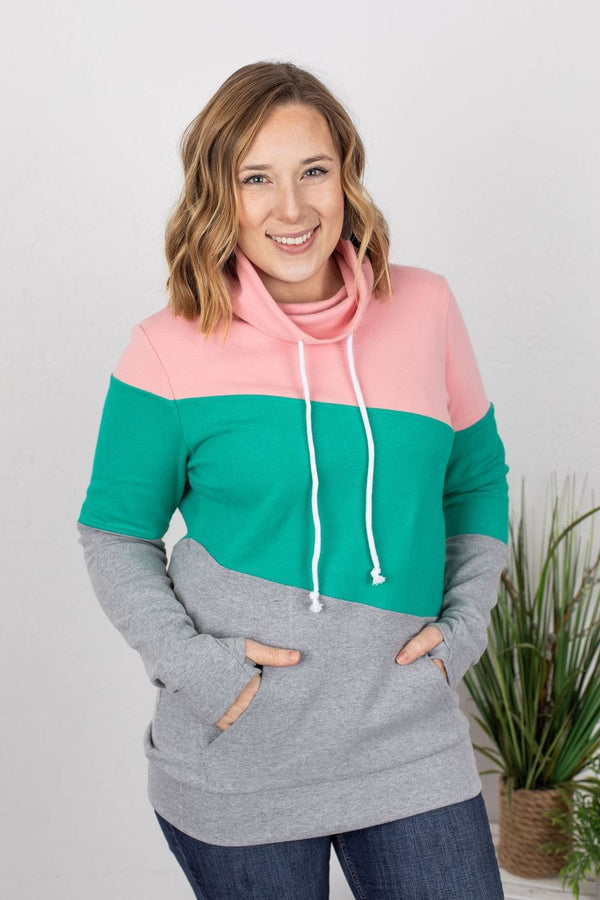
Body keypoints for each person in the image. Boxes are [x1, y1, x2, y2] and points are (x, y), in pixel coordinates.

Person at [77, 60, 509, 899]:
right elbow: (114, 533)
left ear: (347, 175)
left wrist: (465, 628)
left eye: (314, 171)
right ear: (219, 192)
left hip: (408, 740)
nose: (292, 208)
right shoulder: (166, 349)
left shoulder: (426, 308)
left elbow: (476, 481)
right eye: (256, 178)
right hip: (241, 753)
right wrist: (200, 670)